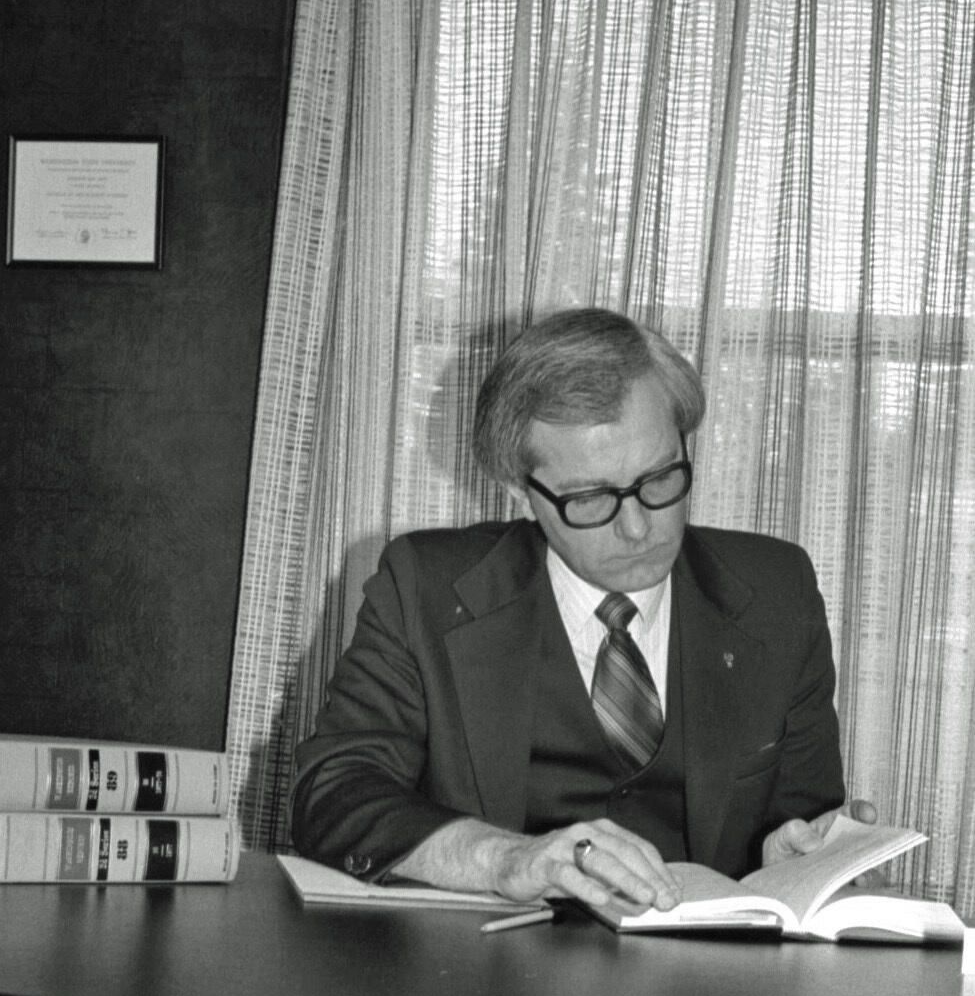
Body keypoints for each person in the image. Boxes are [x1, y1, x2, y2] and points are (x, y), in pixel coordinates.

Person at [290, 308, 851, 915]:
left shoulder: (777, 592)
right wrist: (504, 860)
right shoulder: (425, 588)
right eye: (589, 499)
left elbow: (804, 821)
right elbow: (334, 795)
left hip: (702, 965)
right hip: (484, 964)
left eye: (659, 479)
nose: (638, 528)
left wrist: (794, 861)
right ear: (519, 490)